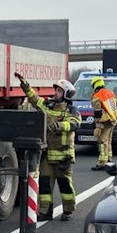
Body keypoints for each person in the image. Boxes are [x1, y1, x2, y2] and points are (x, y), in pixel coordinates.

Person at [15, 73, 81, 221]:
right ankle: (45, 212)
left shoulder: (72, 110)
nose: (55, 93)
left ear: (66, 94)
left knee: (65, 187)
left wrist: (59, 125)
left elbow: (74, 124)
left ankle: (68, 210)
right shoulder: (48, 105)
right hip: (47, 155)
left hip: (64, 157)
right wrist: (25, 85)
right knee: (44, 186)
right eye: (56, 90)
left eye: (59, 91)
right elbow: (34, 99)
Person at [89, 75, 117, 170]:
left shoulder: (97, 95)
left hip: (104, 120)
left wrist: (98, 126)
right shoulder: (110, 92)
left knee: (102, 141)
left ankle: (102, 162)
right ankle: (108, 158)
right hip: (112, 119)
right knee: (108, 140)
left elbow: (98, 112)